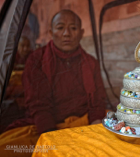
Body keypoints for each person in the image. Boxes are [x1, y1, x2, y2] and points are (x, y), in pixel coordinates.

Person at [0, 10, 106, 156]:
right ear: (51, 32)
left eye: (73, 28)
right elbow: (38, 104)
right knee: (7, 148)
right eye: (60, 27)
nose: (66, 33)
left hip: (83, 122)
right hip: (44, 126)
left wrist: (95, 126)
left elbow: (98, 101)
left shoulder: (91, 62)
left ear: (81, 33)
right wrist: (52, 139)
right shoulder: (37, 59)